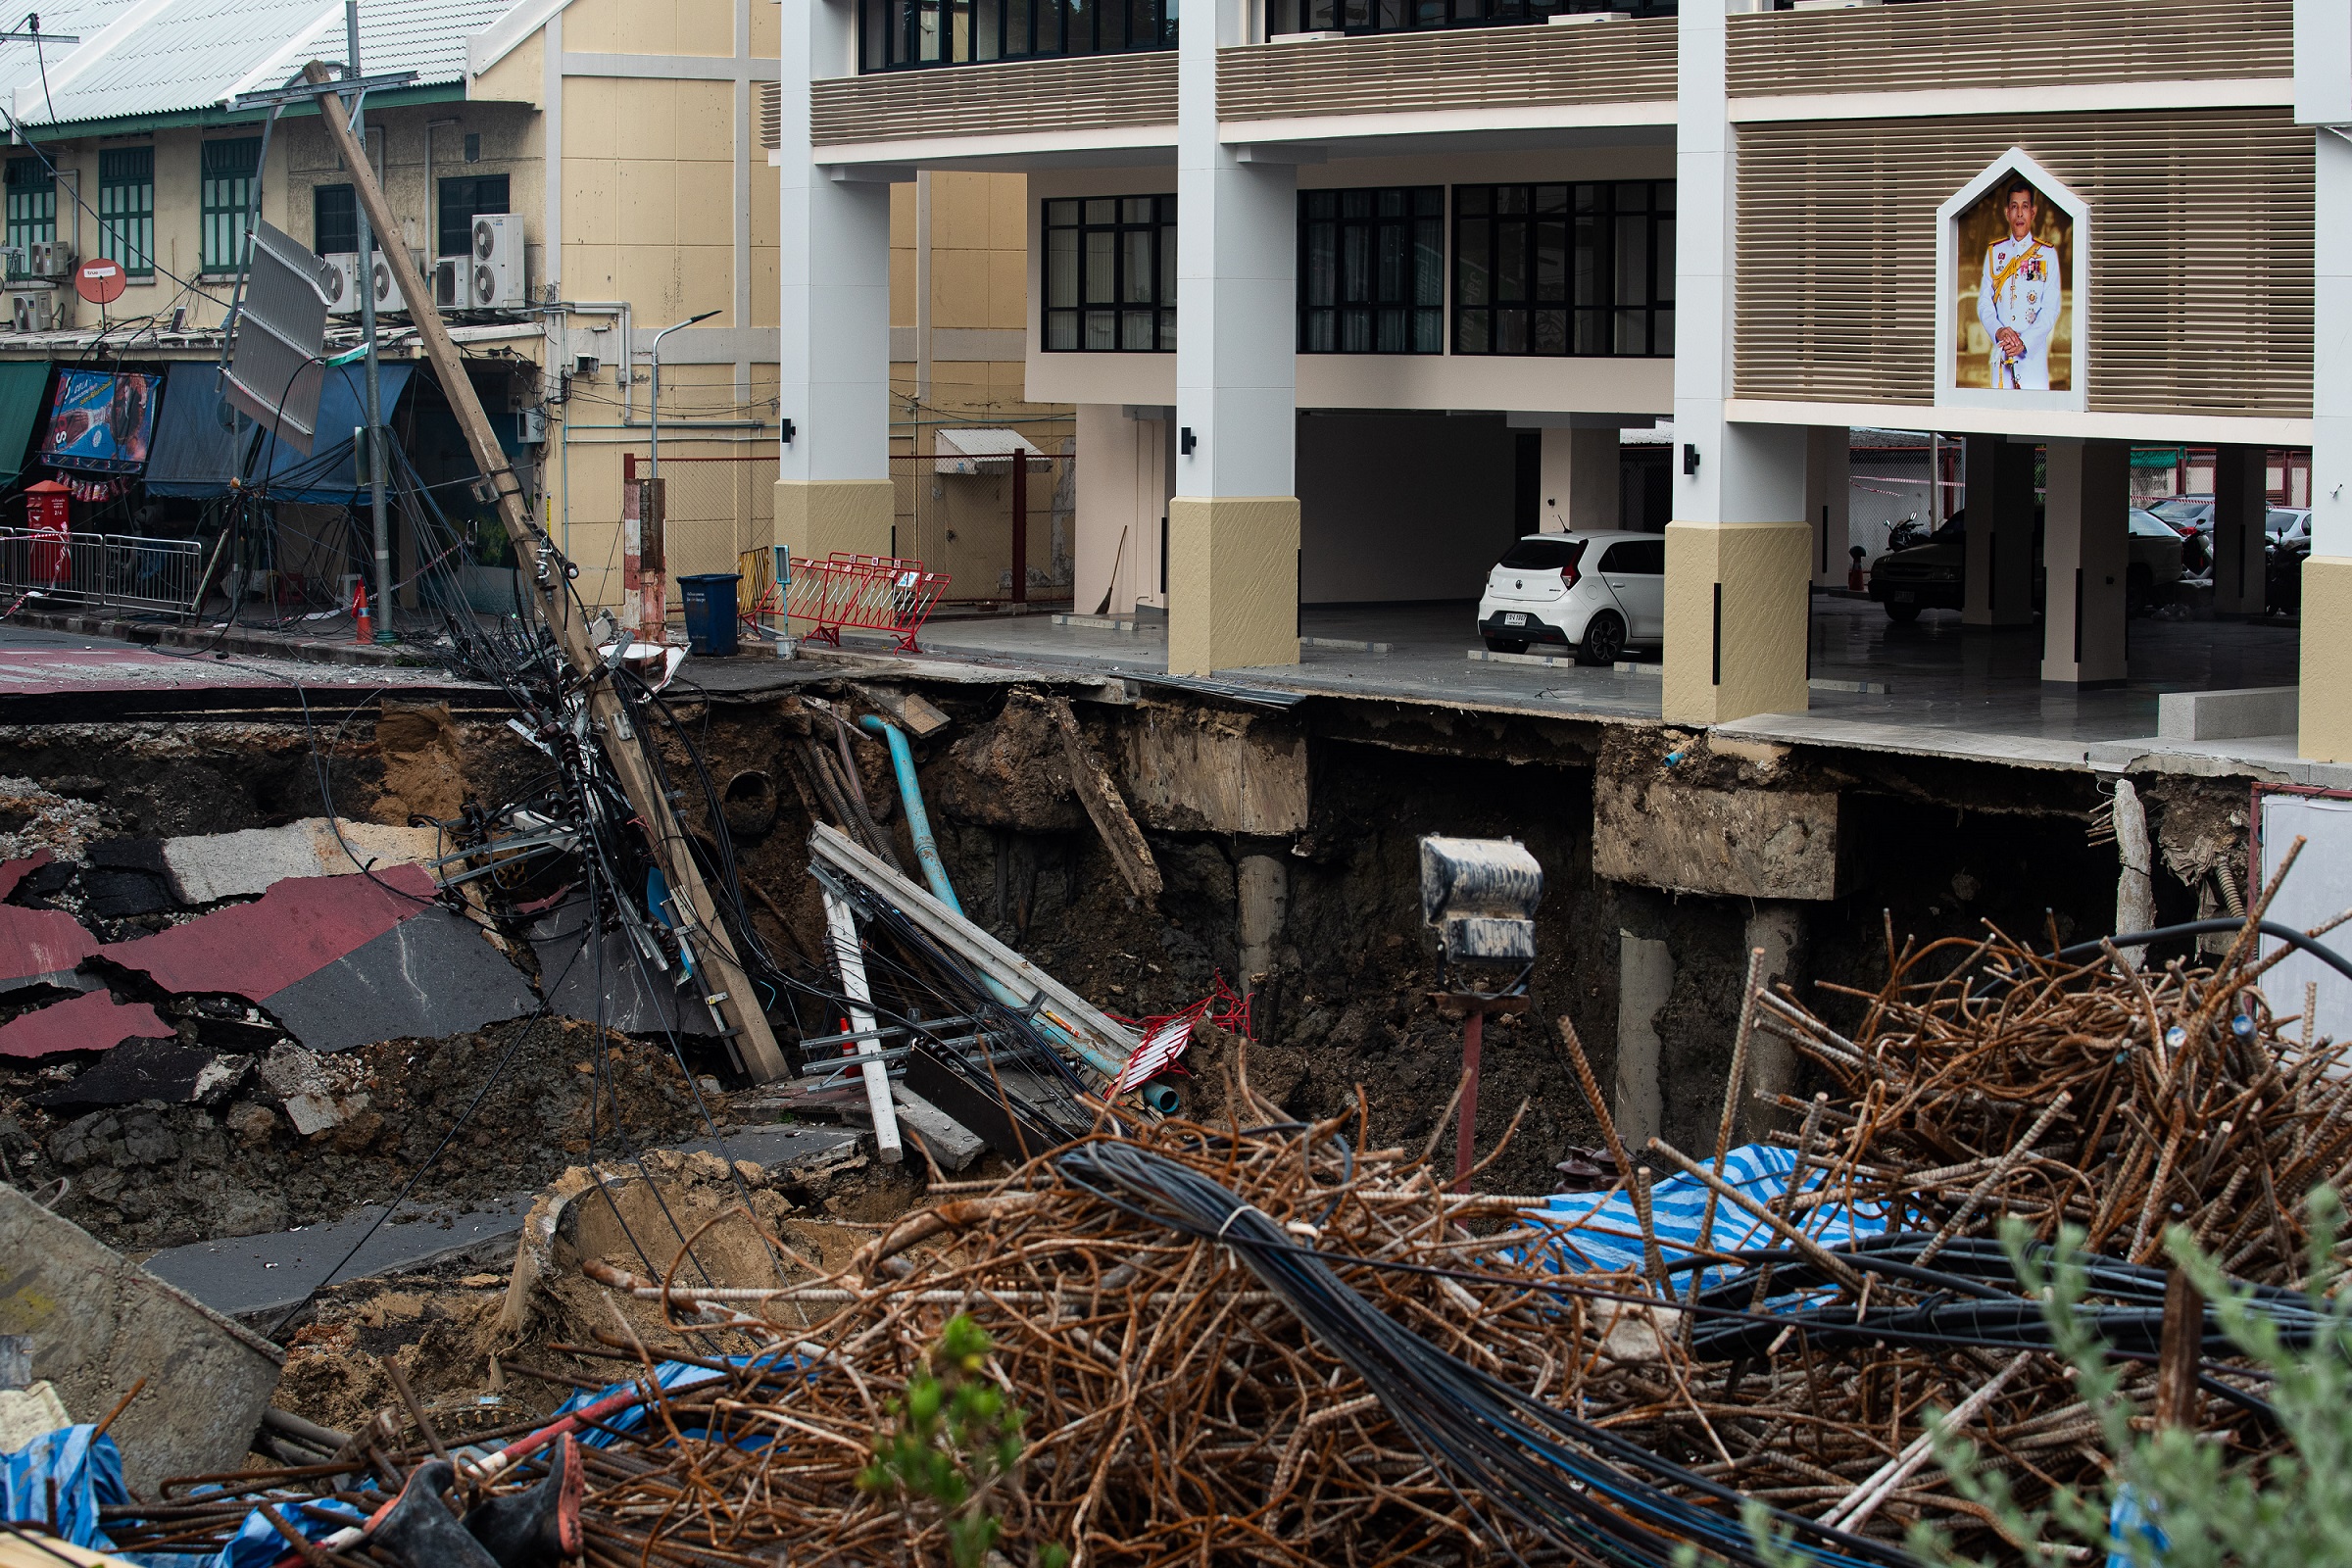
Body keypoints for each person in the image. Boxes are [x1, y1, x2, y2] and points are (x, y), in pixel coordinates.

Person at [1975, 183, 2062, 391]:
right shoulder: (1995, 253)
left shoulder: (2046, 255)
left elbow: (2051, 309)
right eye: (2014, 206)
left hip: (2032, 360)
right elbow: (1984, 302)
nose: (2020, 213)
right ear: (2007, 212)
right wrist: (1999, 331)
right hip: (2002, 356)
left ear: (2033, 212)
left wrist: (2024, 343)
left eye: (2025, 206)